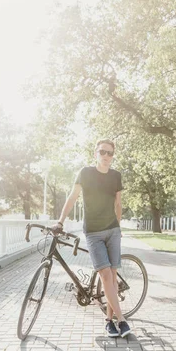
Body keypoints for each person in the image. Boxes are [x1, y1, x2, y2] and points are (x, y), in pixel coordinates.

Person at [53, 139, 132, 338]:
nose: (106, 156)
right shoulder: (85, 173)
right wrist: (60, 221)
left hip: (112, 230)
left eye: (110, 153)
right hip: (93, 232)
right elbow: (72, 197)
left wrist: (119, 226)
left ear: (113, 156)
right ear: (95, 153)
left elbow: (118, 204)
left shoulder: (116, 176)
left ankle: (108, 322)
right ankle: (121, 320)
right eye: (103, 152)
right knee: (106, 275)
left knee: (112, 277)